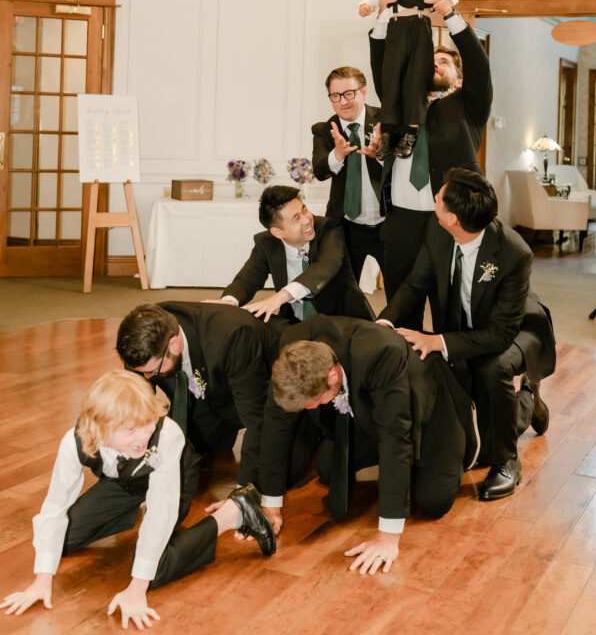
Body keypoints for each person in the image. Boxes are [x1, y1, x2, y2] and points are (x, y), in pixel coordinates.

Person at [0, 371, 275, 628]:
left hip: (174, 480)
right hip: (123, 483)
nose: (143, 436)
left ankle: (233, 512)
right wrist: (42, 579)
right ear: (98, 428)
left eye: (147, 424)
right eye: (130, 430)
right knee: (61, 540)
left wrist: (136, 587)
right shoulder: (74, 441)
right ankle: (135, 509)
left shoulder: (167, 434)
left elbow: (161, 513)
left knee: (156, 568)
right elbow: (54, 508)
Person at [378, 168, 556, 502]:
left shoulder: (514, 253)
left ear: (453, 220)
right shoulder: (437, 229)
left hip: (515, 330)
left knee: (493, 369)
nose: (434, 199)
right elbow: (416, 284)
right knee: (467, 397)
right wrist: (384, 322)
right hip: (465, 328)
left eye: (439, 199)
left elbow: (500, 336)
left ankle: (508, 461)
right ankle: (527, 402)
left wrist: (438, 341)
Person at [258, 315, 477, 575]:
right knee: (329, 471)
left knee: (432, 502)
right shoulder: (292, 351)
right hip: (370, 413)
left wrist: (387, 537)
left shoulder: (382, 353)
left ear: (331, 376)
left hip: (429, 412)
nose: (310, 409)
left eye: (313, 402)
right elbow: (275, 423)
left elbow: (396, 440)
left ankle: (500, 414)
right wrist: (270, 504)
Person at [370, 0, 493, 325]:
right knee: (400, 308)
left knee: (448, 310)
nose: (435, 66)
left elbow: (480, 64)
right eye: (430, 62)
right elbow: (383, 69)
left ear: (459, 76)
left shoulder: (468, 105)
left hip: (447, 222)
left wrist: (450, 15)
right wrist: (382, 16)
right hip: (401, 224)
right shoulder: (398, 105)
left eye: (444, 62)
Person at [116, 301, 279, 487]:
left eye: (154, 371)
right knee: (179, 452)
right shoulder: (141, 339)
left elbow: (257, 418)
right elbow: (134, 406)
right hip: (206, 400)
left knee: (274, 475)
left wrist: (242, 495)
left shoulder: (232, 336)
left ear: (174, 345)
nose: (147, 377)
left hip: (265, 398)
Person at [359, 0, 459, 159]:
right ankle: (388, 132)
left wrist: (446, 1)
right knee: (391, 80)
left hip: (419, 30)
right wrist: (366, 4)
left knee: (415, 81)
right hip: (394, 29)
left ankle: (410, 133)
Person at [221, 185, 375, 323]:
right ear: (277, 232)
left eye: (305, 210)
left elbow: (325, 267)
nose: (307, 220)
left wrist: (281, 297)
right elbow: (248, 278)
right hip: (295, 322)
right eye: (296, 218)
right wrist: (229, 301)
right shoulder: (266, 243)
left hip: (344, 322)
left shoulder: (329, 229)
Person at [311, 66, 384, 281]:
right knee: (344, 292)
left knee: (400, 291)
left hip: (389, 223)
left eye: (348, 94)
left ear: (363, 91)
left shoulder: (384, 119)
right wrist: (338, 154)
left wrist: (380, 155)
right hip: (346, 226)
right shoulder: (324, 129)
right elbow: (320, 171)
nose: (343, 101)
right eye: (335, 96)